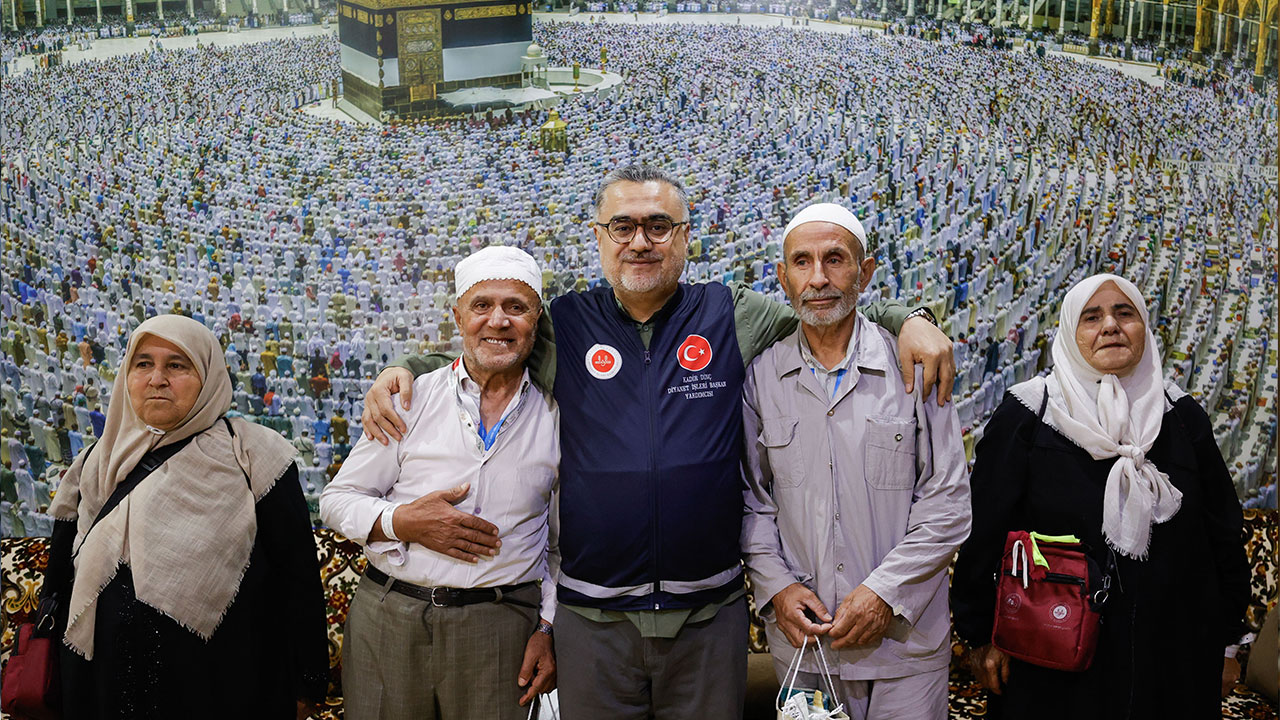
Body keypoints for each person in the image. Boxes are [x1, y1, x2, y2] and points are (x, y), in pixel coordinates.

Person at [360, 166, 955, 718]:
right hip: (594, 617)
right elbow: (490, 345)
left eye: (658, 226)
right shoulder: (565, 325)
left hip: (707, 615)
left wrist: (912, 317)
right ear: (599, 236)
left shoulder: (732, 314)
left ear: (684, 237)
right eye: (623, 226)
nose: (640, 241)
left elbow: (826, 309)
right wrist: (409, 365)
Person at [951, 274, 1250, 720]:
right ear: (1070, 335)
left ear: (1144, 327)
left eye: (1124, 313)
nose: (1110, 325)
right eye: (1092, 317)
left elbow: (1222, 532)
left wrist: (1228, 642)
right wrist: (980, 637)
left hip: (1171, 659)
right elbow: (985, 534)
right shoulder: (1031, 415)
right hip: (1051, 657)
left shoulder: (1181, 417)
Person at [741, 204, 970, 719]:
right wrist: (778, 587)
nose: (818, 278)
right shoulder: (761, 378)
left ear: (865, 272)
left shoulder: (913, 367)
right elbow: (751, 504)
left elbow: (948, 502)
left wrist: (883, 594)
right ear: (782, 277)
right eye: (801, 262)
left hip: (903, 647)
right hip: (807, 647)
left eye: (835, 260)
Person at [43, 314, 329, 719]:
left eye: (177, 365)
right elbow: (59, 576)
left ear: (208, 376)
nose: (157, 378)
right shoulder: (95, 462)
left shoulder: (253, 456)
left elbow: (297, 574)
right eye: (143, 364)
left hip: (224, 685)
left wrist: (307, 681)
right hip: (100, 684)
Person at [319, 247, 558, 720]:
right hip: (389, 616)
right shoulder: (408, 398)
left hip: (500, 628)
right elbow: (336, 502)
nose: (498, 321)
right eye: (481, 306)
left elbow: (561, 544)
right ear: (457, 316)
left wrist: (549, 628)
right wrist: (401, 521)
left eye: (516, 307)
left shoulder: (558, 415)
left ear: (537, 319)